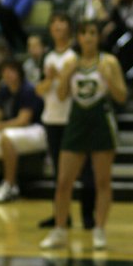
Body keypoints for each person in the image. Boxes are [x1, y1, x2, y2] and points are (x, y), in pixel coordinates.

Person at [39, 19, 127, 250]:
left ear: (98, 37)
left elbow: (122, 97)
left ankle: (99, 229)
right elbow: (60, 95)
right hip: (76, 122)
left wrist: (108, 77)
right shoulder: (71, 62)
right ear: (77, 37)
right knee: (63, 182)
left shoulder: (109, 61)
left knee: (102, 181)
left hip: (101, 121)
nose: (88, 37)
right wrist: (65, 76)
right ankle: (59, 230)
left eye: (92, 33)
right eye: (84, 33)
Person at [35, 12, 95, 230]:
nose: (57, 27)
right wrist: (51, 78)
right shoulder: (47, 56)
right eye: (54, 23)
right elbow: (39, 89)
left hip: (74, 118)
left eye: (62, 23)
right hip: (52, 119)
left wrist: (62, 76)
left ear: (69, 28)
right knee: (58, 174)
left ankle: (88, 217)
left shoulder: (76, 56)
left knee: (85, 171)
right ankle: (61, 215)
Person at [0, 59, 46, 203]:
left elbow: (23, 120)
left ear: (19, 73)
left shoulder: (28, 90)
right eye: (4, 71)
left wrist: (1, 125)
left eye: (11, 71)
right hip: (11, 127)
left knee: (6, 138)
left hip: (35, 129)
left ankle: (9, 184)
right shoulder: (3, 91)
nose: (7, 74)